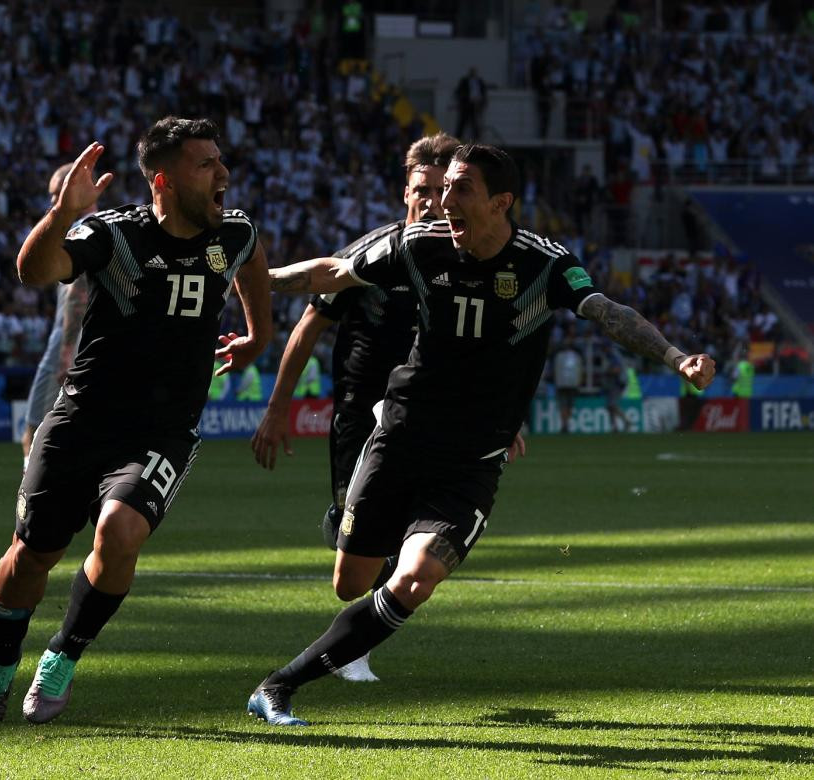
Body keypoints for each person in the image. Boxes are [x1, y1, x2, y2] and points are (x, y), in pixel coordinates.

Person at [247, 143, 715, 726]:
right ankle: (339, 623)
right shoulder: (420, 247)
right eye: (442, 190)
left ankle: (279, 686)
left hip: (472, 459)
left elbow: (603, 309)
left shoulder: (543, 264)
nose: (444, 202)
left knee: (415, 577)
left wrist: (676, 357)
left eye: (459, 190)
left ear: (501, 203)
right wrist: (253, 279)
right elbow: (332, 274)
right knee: (351, 583)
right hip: (400, 437)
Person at [0, 117, 272, 725]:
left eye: (220, 160)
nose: (223, 174)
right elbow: (33, 271)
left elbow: (253, 266)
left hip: (161, 431)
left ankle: (62, 657)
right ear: (162, 179)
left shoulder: (232, 234)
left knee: (121, 532)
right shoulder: (113, 235)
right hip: (82, 418)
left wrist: (259, 338)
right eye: (205, 164)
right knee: (32, 555)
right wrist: (60, 215)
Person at [252, 133, 473, 683]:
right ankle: (345, 533)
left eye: (441, 191)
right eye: (421, 190)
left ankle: (355, 649)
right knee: (355, 566)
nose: (431, 202)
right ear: (406, 192)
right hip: (360, 412)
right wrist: (278, 409)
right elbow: (307, 328)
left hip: (427, 416)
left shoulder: (469, 263)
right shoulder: (372, 253)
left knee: (411, 531)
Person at [20, 163, 94, 469]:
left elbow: (77, 296)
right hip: (93, 347)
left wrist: (65, 354)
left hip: (68, 345)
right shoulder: (110, 228)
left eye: (57, 194)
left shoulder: (80, 232)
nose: (53, 203)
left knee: (34, 428)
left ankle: (31, 502)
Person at [552, 339, 584, 433]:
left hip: (561, 384)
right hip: (572, 384)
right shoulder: (577, 356)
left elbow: (555, 370)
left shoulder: (558, 356)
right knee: (569, 405)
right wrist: (579, 382)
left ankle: (564, 424)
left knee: (564, 405)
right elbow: (579, 370)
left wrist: (557, 382)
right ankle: (566, 424)